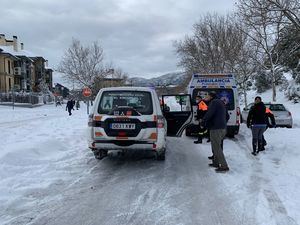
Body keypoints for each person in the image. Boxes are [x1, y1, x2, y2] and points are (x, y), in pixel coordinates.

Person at [202, 91, 230, 172]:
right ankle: (216, 162)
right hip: (222, 128)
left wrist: (203, 121)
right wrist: (222, 123)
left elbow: (209, 113)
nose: (206, 97)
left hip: (216, 128)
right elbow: (227, 116)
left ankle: (224, 166)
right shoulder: (221, 102)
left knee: (216, 147)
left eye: (207, 95)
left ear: (211, 97)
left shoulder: (214, 102)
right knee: (216, 146)